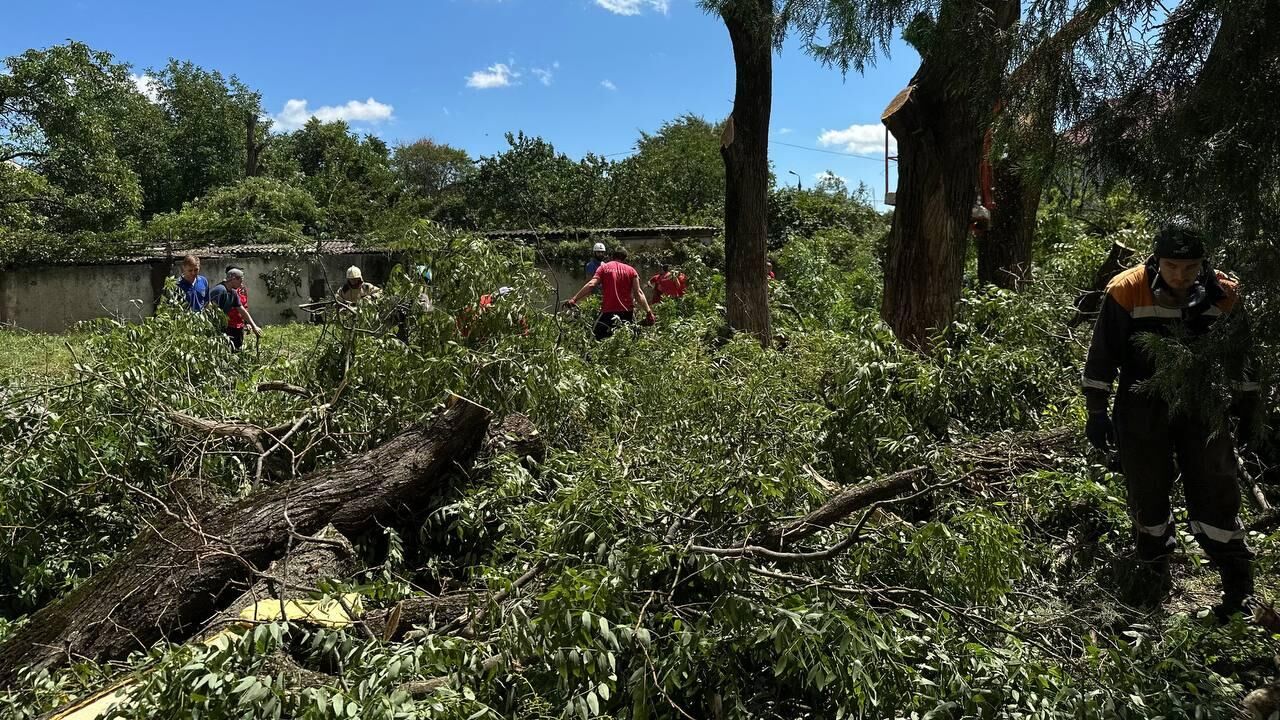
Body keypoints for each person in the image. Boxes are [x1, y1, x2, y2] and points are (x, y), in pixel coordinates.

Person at [1083, 222, 1261, 621]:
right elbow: (1102, 355)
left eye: (1190, 266)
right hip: (1140, 404)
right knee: (1147, 490)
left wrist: (1249, 408)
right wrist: (1096, 411)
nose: (1180, 275)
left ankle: (1237, 585)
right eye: (1171, 266)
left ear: (1204, 263)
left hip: (1202, 406)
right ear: (1156, 260)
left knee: (1216, 487)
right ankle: (1152, 574)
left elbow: (1242, 357)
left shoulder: (1225, 295)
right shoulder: (1126, 289)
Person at [564, 247, 654, 340]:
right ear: (625, 258)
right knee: (629, 342)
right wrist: (648, 312)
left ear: (612, 256)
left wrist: (574, 299)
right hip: (627, 313)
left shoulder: (604, 267)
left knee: (595, 341)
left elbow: (591, 284)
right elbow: (638, 293)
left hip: (608, 313)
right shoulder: (631, 270)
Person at [209, 267, 262, 351]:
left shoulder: (233, 292)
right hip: (214, 329)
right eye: (240, 281)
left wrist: (254, 326)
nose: (241, 284)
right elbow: (210, 312)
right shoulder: (220, 291)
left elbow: (242, 310)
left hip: (224, 327)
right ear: (233, 279)